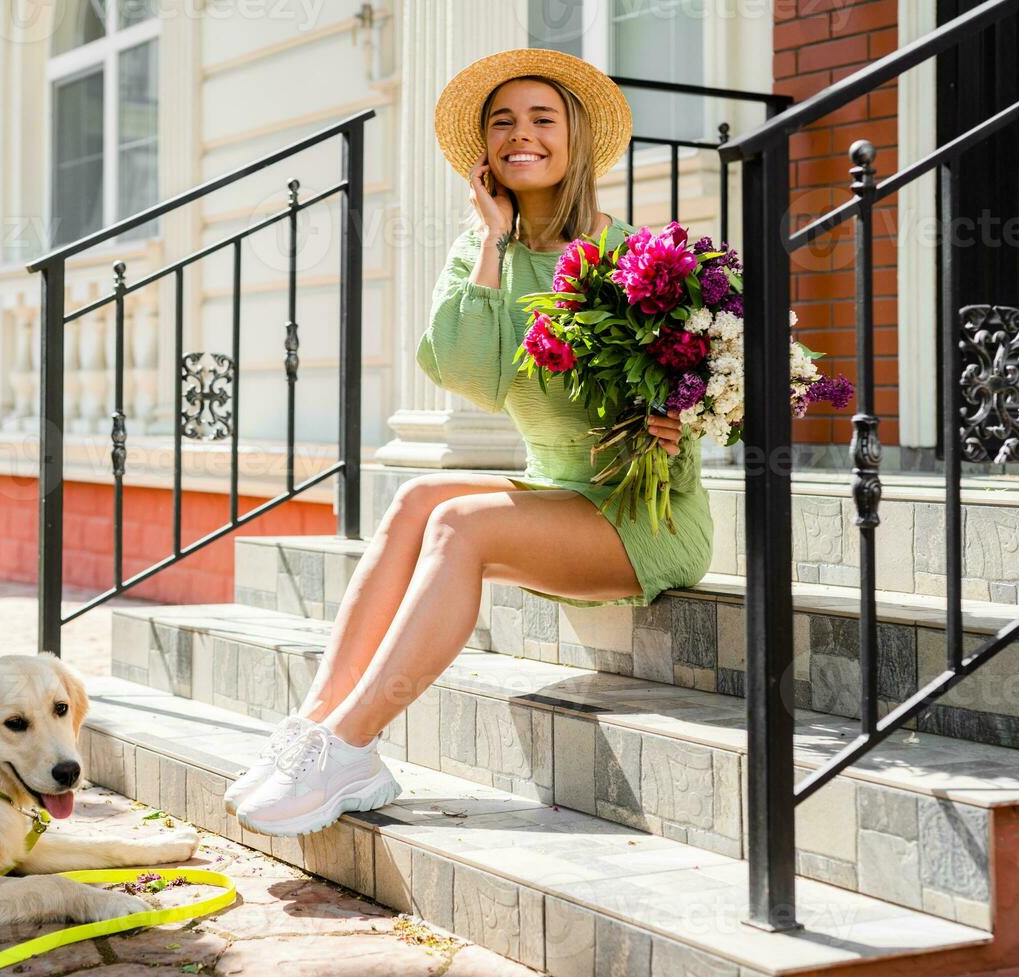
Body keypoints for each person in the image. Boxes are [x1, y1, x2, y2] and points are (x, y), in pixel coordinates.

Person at [227, 48, 714, 838]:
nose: (521, 135)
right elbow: (469, 375)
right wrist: (493, 243)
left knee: (460, 524)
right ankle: (314, 729)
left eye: (541, 118)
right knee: (421, 495)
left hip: (640, 516)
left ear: (576, 137)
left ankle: (350, 745)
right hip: (560, 492)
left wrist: (679, 422)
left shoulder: (639, 260)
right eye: (502, 122)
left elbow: (707, 398)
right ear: (485, 152)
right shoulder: (482, 254)